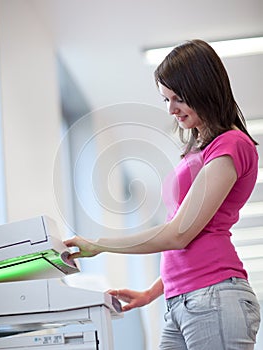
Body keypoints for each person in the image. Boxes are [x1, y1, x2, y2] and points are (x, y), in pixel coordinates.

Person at [64, 39, 261, 349]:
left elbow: (179, 234)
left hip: (213, 295)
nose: (171, 109)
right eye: (166, 99)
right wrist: (152, 292)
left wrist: (99, 244)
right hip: (181, 300)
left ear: (204, 90)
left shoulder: (231, 146)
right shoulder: (201, 149)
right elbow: (189, 235)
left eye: (179, 98)